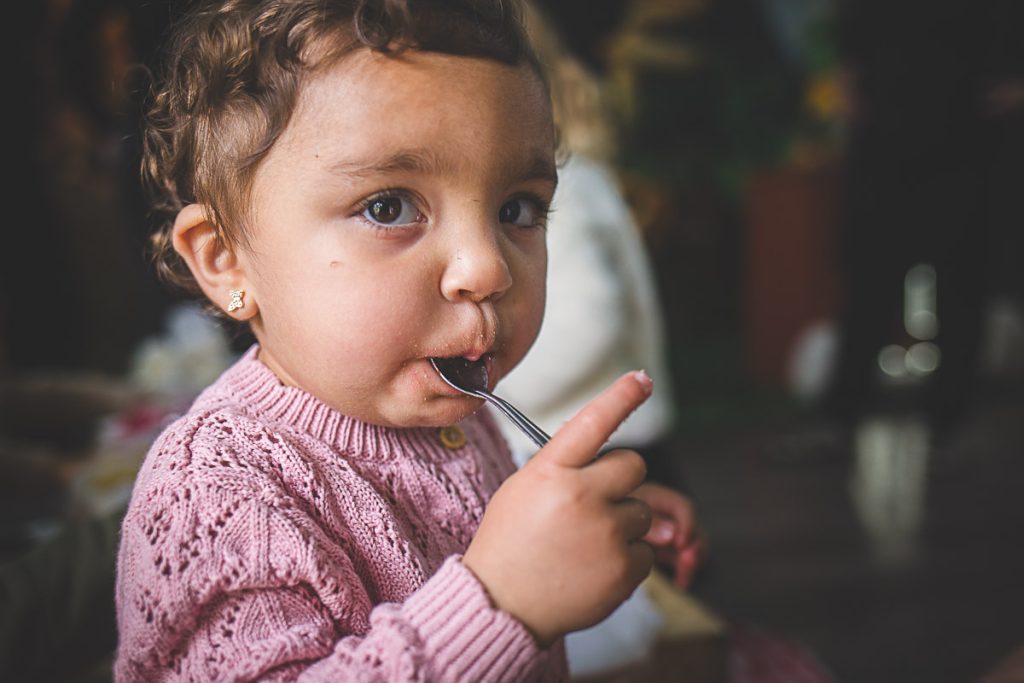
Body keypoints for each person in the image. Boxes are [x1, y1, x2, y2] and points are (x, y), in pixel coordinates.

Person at [114, 1, 702, 680]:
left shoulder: (452, 414)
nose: (488, 268)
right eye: (388, 206)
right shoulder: (215, 493)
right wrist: (500, 604)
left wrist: (573, 515)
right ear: (226, 261)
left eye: (517, 208)